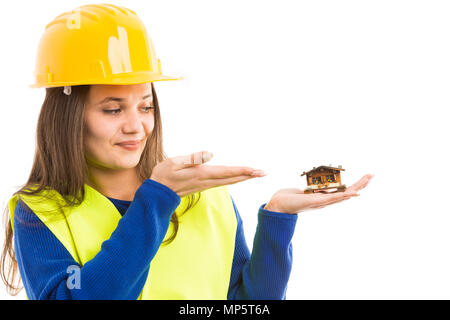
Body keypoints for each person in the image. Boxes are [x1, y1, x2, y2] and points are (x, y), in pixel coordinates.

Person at [0, 3, 372, 300]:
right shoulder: (40, 213)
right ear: (66, 117)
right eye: (113, 109)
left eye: (145, 106)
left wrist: (276, 220)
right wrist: (156, 201)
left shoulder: (206, 200)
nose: (136, 126)